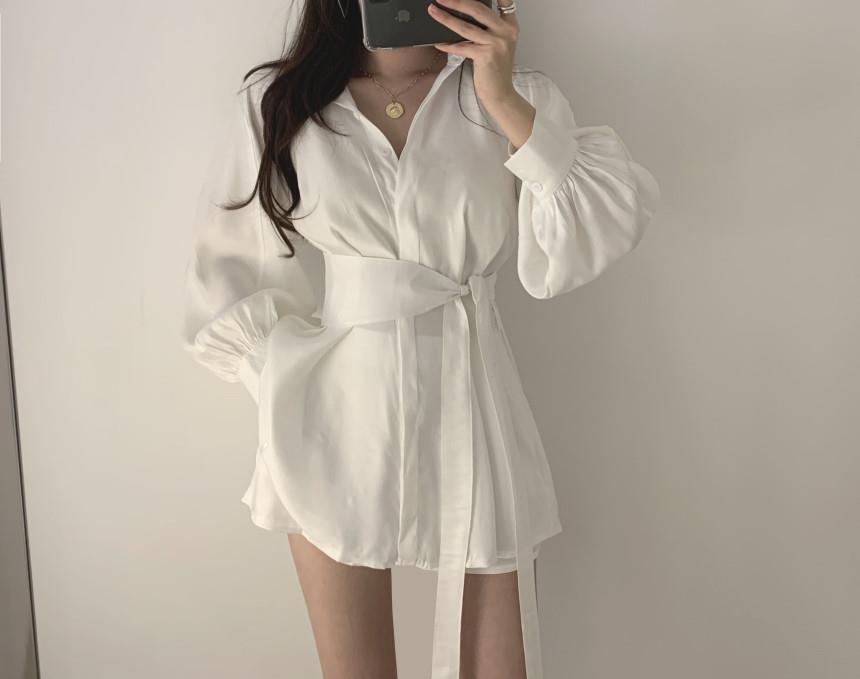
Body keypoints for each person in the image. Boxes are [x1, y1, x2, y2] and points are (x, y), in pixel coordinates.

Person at [180, 0, 660, 677]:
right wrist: (284, 388)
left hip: (476, 411)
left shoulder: (517, 97)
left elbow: (596, 229)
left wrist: (502, 97)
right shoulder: (280, 104)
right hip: (332, 426)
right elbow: (226, 276)